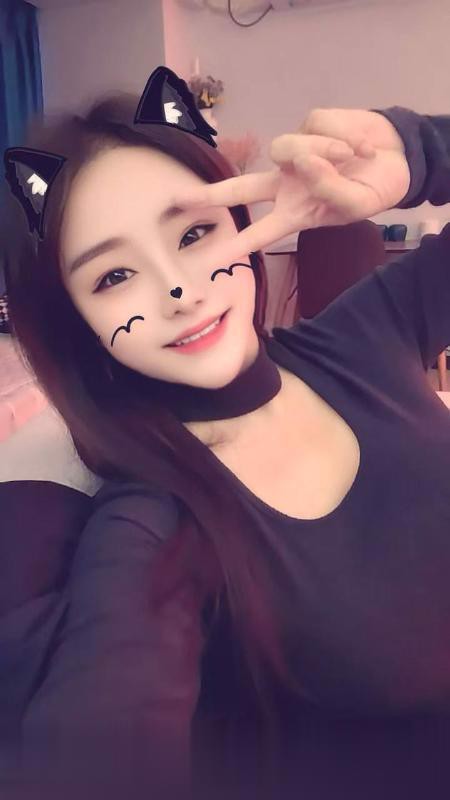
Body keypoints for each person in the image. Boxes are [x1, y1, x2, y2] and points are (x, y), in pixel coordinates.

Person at [2, 66, 450, 799]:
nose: (177, 290)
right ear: (77, 325)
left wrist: (419, 152)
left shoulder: (366, 333)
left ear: (242, 224)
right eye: (113, 277)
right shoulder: (152, 516)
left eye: (194, 233)